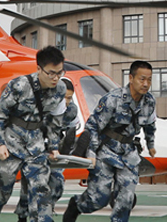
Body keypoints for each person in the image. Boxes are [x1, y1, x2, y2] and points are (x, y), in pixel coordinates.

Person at [0, 46, 66, 222]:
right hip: (10, 144)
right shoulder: (19, 86)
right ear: (38, 69)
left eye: (59, 72)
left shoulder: (60, 89)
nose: (56, 78)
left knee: (41, 193)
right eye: (51, 73)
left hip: (36, 146)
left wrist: (54, 146)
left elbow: (55, 122)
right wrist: (0, 144)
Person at [63, 60, 157, 222]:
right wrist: (91, 153)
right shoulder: (113, 99)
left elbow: (150, 124)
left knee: (125, 200)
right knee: (98, 199)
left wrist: (151, 144)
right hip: (105, 153)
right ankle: (76, 205)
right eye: (142, 79)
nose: (146, 84)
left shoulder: (149, 101)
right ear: (131, 78)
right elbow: (92, 127)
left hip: (128, 154)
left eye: (149, 80)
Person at [15, 79, 79, 222]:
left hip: (55, 150)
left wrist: (63, 153)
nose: (66, 101)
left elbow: (71, 132)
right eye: (63, 97)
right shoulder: (41, 104)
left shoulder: (71, 110)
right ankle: (24, 217)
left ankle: (45, 210)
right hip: (32, 148)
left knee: (57, 183)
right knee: (31, 187)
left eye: (69, 98)